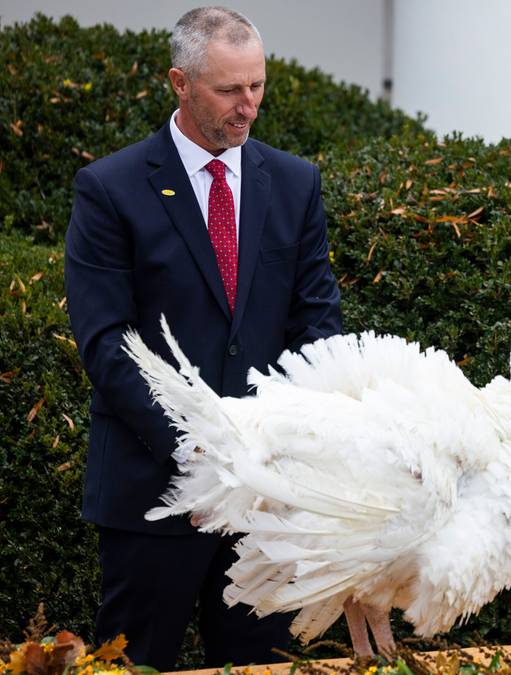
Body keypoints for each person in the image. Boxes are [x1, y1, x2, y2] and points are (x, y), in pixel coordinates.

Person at [64, 6, 341, 669]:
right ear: (180, 84)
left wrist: (281, 448)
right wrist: (196, 454)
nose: (248, 107)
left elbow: (317, 325)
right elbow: (107, 342)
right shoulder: (110, 188)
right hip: (152, 493)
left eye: (258, 86)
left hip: (264, 498)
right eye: (229, 90)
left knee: (265, 665)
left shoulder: (295, 183)